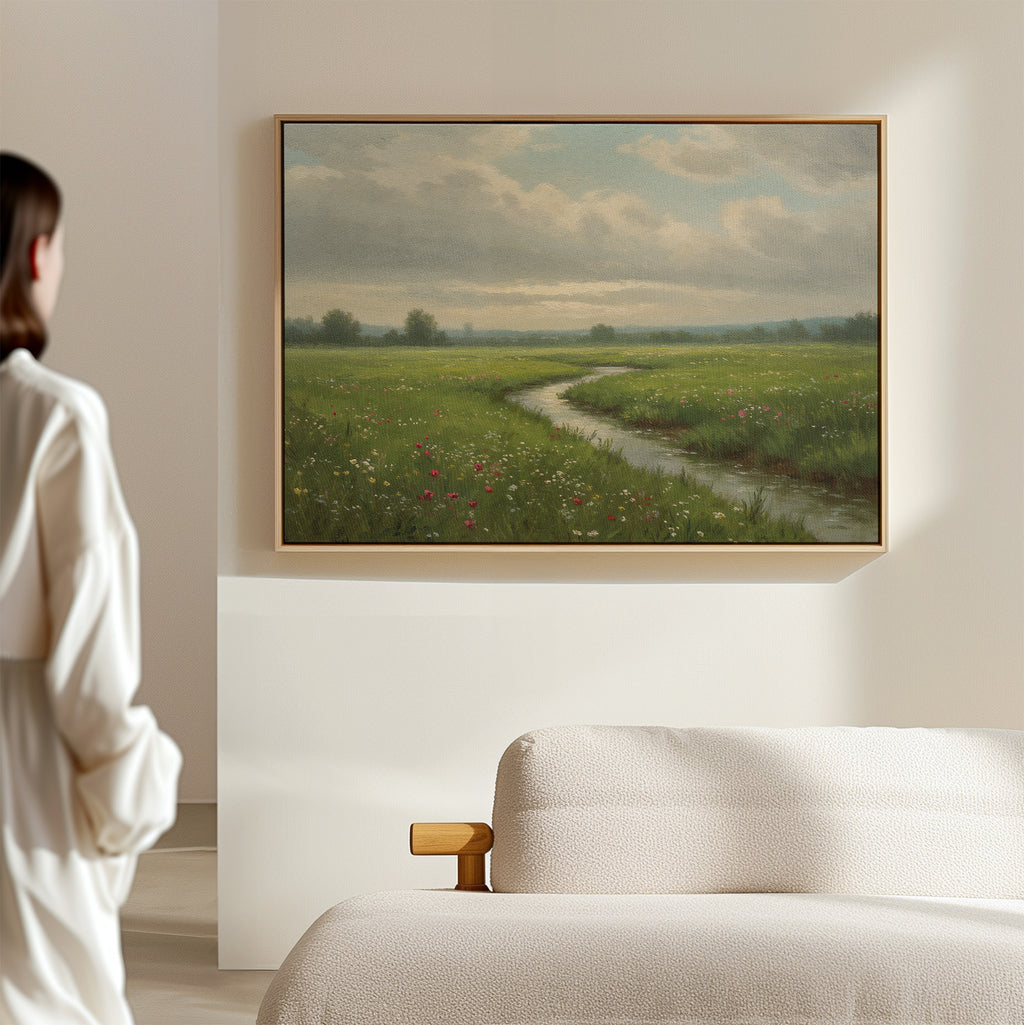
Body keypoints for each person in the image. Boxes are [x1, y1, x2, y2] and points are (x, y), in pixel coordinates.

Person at [0, 153, 182, 1025]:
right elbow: (88, 667)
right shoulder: (54, 414)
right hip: (20, 765)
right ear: (36, 255)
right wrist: (131, 790)